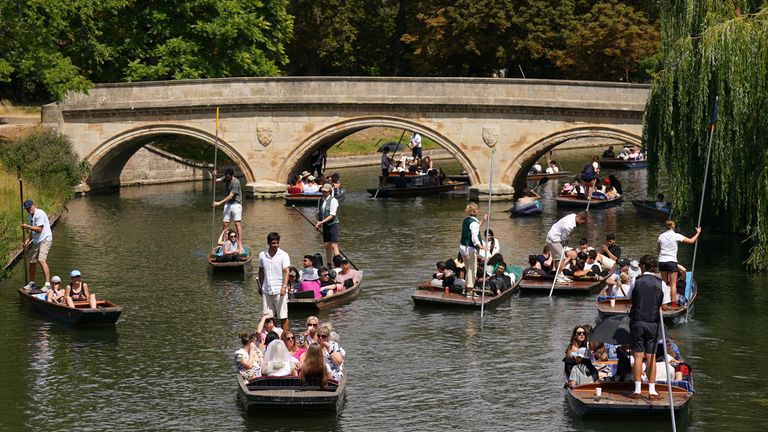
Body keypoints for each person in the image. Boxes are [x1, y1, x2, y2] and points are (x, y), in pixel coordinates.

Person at [628, 255, 666, 399]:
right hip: (653, 323)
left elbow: (630, 298)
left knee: (638, 357)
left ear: (643, 266)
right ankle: (652, 390)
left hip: (637, 321)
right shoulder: (661, 283)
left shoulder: (636, 280)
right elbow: (665, 304)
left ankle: (637, 390)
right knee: (652, 357)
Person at [658, 220, 701, 309]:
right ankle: (673, 305)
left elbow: (658, 249)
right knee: (673, 284)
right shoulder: (676, 235)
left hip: (661, 261)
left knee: (664, 283)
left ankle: (663, 304)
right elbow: (691, 241)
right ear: (673, 227)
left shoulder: (661, 236)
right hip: (671, 261)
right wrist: (698, 233)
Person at [258, 232, 290, 330]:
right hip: (267, 290)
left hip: (279, 290)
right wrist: (260, 286)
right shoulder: (262, 255)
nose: (276, 245)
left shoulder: (283, 255)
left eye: (277, 243)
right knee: (268, 317)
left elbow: (286, 271)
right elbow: (261, 271)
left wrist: (284, 287)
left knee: (283, 316)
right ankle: (270, 339)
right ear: (269, 243)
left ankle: (286, 337)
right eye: (273, 243)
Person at [21, 199, 52, 289]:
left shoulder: (40, 213)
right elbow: (32, 231)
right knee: (32, 261)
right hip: (37, 240)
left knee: (41, 259)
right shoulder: (30, 217)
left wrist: (28, 226)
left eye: (29, 207)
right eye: (26, 208)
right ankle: (32, 283)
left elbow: (39, 229)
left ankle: (47, 284)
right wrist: (27, 241)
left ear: (33, 205)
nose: (28, 210)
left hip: (45, 238)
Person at [546, 212, 587, 280]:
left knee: (557, 258)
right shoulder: (569, 226)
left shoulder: (573, 215)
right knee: (562, 258)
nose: (581, 224)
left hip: (551, 236)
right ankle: (559, 275)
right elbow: (564, 239)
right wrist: (567, 240)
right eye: (581, 222)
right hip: (554, 239)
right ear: (579, 218)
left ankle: (559, 274)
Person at [458, 203, 487, 292]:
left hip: (463, 248)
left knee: (468, 269)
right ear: (476, 211)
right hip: (470, 249)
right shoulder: (473, 223)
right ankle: (469, 290)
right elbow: (474, 236)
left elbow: (474, 229)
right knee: (472, 271)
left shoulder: (466, 220)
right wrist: (480, 245)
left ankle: (466, 287)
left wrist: (482, 221)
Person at [212, 168, 243, 245]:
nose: (227, 178)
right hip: (228, 204)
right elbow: (215, 181)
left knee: (237, 223)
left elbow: (231, 196)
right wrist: (214, 176)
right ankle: (225, 242)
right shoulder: (225, 177)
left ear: (232, 175)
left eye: (229, 177)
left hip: (236, 204)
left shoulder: (236, 182)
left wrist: (219, 203)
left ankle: (239, 242)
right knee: (225, 223)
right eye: (226, 176)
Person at [315, 183, 341, 266]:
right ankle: (329, 264)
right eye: (322, 191)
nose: (323, 193)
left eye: (325, 191)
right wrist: (318, 223)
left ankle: (337, 264)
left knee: (334, 245)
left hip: (333, 224)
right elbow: (318, 213)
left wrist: (321, 222)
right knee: (327, 245)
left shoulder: (333, 201)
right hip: (325, 225)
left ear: (329, 191)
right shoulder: (320, 200)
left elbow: (332, 215)